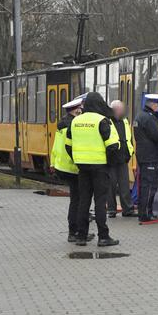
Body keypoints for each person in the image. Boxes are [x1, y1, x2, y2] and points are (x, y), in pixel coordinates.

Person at [65, 92, 121, 247]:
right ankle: (103, 236)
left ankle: (81, 236)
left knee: (84, 201)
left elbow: (68, 145)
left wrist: (78, 159)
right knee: (100, 201)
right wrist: (109, 163)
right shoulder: (102, 121)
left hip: (82, 168)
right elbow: (113, 146)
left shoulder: (75, 121)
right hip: (100, 167)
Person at [50, 95, 93, 243]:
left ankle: (73, 230)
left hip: (62, 166)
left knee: (75, 200)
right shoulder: (73, 126)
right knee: (79, 200)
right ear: (76, 111)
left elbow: (55, 147)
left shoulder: (62, 125)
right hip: (73, 167)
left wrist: (53, 164)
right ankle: (76, 231)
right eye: (80, 109)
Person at [134, 93, 158, 223]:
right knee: (150, 186)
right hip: (149, 156)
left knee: (145, 185)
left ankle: (144, 211)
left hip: (143, 155)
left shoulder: (140, 116)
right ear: (152, 104)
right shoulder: (148, 118)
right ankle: (146, 213)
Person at [107, 100, 135, 218]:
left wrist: (130, 151)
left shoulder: (124, 120)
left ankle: (127, 209)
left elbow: (128, 138)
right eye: (119, 110)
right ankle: (111, 210)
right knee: (111, 186)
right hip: (111, 159)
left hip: (123, 158)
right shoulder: (107, 121)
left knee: (124, 185)